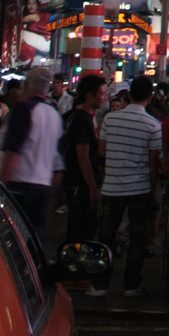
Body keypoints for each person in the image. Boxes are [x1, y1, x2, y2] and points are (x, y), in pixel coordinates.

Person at [93, 76, 162, 297]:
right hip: (139, 188)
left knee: (105, 236)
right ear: (150, 98)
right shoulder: (153, 125)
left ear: (129, 95)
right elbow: (153, 163)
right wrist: (153, 192)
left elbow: (101, 152)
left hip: (111, 187)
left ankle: (99, 284)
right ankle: (131, 284)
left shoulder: (110, 120)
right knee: (137, 238)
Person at [0, 66, 65, 243]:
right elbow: (58, 162)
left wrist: (0, 187)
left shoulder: (23, 110)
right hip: (43, 187)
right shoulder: (55, 115)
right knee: (34, 239)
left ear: (26, 85)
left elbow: (13, 152)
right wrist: (52, 194)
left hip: (19, 186)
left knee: (12, 239)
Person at [63, 74, 107, 243]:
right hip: (80, 185)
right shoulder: (82, 120)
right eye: (101, 94)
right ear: (90, 96)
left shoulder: (85, 118)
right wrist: (92, 188)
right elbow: (83, 157)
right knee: (80, 229)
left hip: (81, 184)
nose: (104, 98)